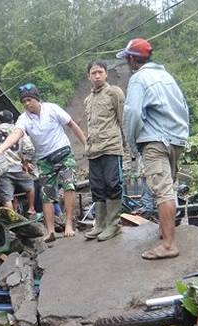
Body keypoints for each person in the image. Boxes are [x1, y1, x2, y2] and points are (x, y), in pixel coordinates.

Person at [117, 38, 189, 260]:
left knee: (162, 191)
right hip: (176, 139)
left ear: (131, 59)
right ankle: (164, 231)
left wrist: (131, 143)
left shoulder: (139, 79)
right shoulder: (167, 77)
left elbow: (133, 114)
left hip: (154, 141)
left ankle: (169, 245)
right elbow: (184, 107)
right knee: (169, 187)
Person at [0, 83, 87, 242]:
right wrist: (1, 148)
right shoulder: (24, 119)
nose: (27, 104)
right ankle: (50, 232)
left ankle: (69, 224)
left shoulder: (52, 109)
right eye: (24, 102)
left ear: (36, 99)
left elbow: (71, 124)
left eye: (29, 99)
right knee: (46, 194)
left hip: (63, 152)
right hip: (44, 159)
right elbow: (16, 133)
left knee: (69, 185)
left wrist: (85, 143)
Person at [83, 60, 128, 241]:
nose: (97, 76)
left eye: (100, 72)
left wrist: (126, 148)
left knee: (112, 183)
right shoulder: (88, 100)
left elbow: (122, 120)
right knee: (97, 187)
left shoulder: (114, 93)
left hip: (111, 147)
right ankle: (99, 224)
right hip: (93, 150)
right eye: (93, 73)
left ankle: (113, 225)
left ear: (106, 74)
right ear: (89, 76)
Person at [0, 110, 37, 216]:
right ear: (12, 121)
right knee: (30, 186)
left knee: (7, 197)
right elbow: (30, 148)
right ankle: (31, 209)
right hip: (18, 167)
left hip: (3, 169)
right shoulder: (19, 131)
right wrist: (25, 162)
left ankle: (12, 219)